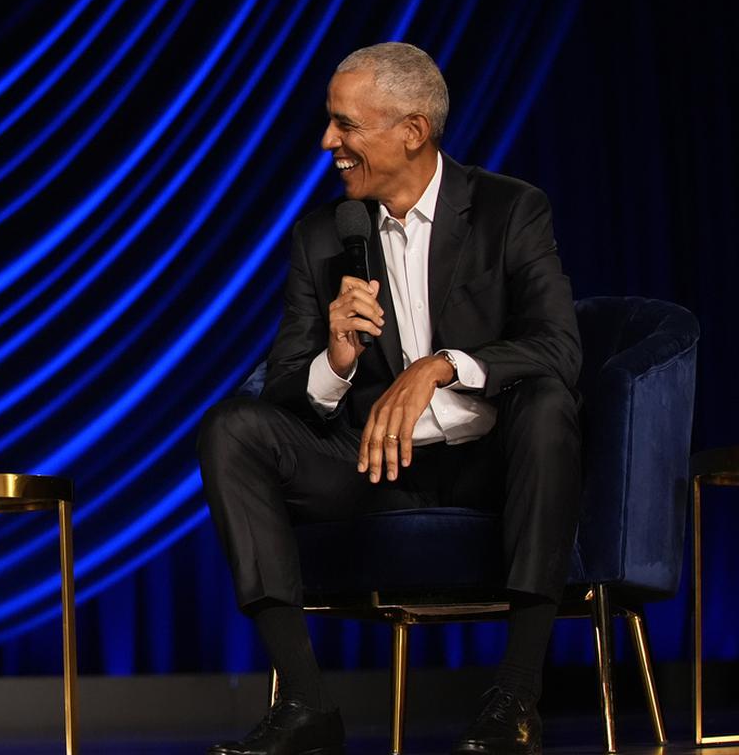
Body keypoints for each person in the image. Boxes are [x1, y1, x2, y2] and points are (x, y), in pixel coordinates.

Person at [198, 43, 581, 755]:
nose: (328, 143)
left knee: (550, 404)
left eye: (345, 126)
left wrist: (439, 366)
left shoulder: (509, 210)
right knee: (231, 431)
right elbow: (285, 388)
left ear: (411, 131)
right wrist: (337, 359)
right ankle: (307, 704)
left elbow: (558, 346)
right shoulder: (323, 239)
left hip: (485, 460)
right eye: (329, 124)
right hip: (372, 468)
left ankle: (516, 696)